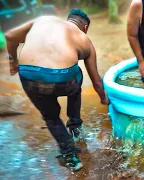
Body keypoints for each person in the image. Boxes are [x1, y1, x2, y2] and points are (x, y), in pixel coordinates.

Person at [5, 9, 108, 171]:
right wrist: (104, 99)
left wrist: (13, 61)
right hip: (64, 80)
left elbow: (10, 36)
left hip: (29, 76)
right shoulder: (84, 39)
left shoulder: (43, 19)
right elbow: (96, 81)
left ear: (68, 19)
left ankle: (71, 157)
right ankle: (75, 126)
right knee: (77, 77)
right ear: (85, 26)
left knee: (51, 117)